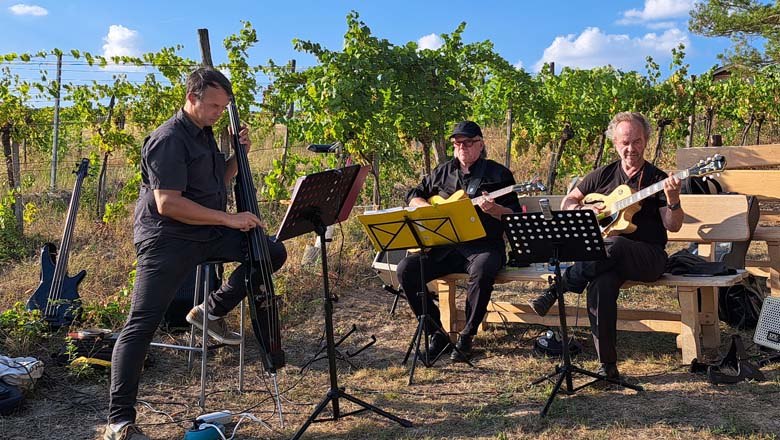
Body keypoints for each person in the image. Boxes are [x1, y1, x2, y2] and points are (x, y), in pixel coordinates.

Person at [104, 67, 287, 440]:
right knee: (142, 322)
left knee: (269, 251)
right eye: (215, 106)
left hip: (206, 232)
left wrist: (240, 156)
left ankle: (211, 309)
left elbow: (214, 182)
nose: (220, 113)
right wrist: (229, 219)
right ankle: (119, 421)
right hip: (167, 238)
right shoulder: (168, 139)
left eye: (224, 107)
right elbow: (168, 203)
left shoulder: (205, 135)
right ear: (192, 98)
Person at [528, 111, 683, 382]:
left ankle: (561, 287)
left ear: (646, 140)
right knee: (601, 283)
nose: (631, 149)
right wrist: (584, 208)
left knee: (616, 244)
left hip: (648, 257)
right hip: (606, 258)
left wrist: (673, 199)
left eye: (636, 141)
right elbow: (568, 202)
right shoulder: (602, 175)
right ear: (614, 143)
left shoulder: (657, 179)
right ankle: (607, 367)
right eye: (625, 142)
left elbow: (674, 226)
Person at [396, 121, 521, 363]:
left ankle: (467, 335)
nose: (461, 147)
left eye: (467, 142)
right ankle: (438, 334)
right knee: (407, 270)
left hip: (483, 246)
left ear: (481, 144)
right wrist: (423, 206)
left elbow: (514, 215)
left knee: (484, 269)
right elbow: (414, 193)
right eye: (457, 143)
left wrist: (495, 209)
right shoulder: (442, 172)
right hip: (445, 247)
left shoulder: (498, 174)